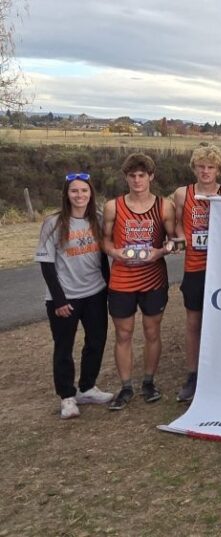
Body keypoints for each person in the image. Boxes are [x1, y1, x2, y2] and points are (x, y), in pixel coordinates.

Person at [35, 172, 113, 419]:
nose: (80, 195)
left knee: (96, 340)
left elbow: (103, 259)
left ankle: (87, 387)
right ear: (67, 194)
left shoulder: (98, 219)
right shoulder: (53, 223)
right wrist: (59, 300)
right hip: (65, 297)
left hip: (95, 292)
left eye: (84, 190)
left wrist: (109, 287)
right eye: (74, 191)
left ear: (91, 193)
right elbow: (47, 264)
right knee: (64, 346)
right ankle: (67, 396)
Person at [102, 153, 176, 410]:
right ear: (126, 177)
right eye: (132, 176)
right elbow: (105, 239)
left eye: (141, 175)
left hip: (153, 279)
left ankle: (149, 382)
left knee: (152, 331)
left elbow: (174, 240)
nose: (137, 180)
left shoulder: (164, 206)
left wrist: (161, 251)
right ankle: (126, 387)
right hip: (122, 279)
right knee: (123, 334)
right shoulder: (113, 206)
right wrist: (114, 252)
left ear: (151, 176)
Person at [171, 147, 221, 402]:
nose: (206, 171)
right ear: (194, 168)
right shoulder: (182, 193)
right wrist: (181, 237)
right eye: (201, 167)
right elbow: (176, 223)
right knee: (194, 322)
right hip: (195, 266)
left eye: (211, 167)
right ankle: (193, 375)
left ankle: (220, 372)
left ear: (219, 170)